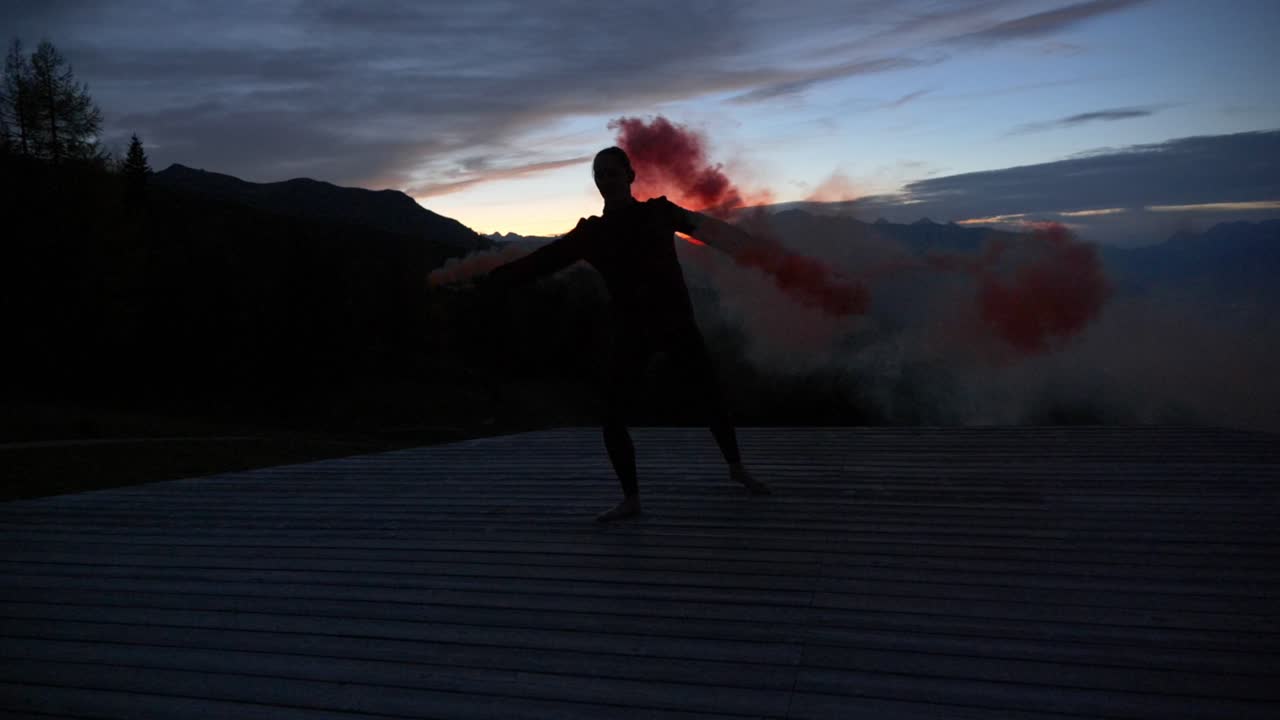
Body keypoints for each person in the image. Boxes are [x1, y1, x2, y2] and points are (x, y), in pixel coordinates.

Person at [480, 146, 771, 522]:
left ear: (630, 176)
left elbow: (711, 232)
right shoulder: (591, 234)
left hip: (675, 322)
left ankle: (736, 469)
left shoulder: (658, 213)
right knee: (614, 416)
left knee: (710, 396)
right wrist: (493, 280)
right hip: (632, 330)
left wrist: (757, 251)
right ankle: (631, 499)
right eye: (599, 174)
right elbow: (541, 262)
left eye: (612, 172)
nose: (606, 180)